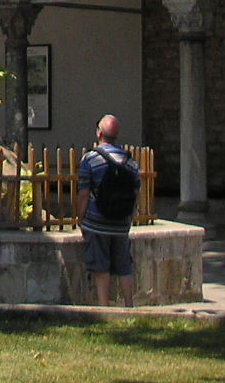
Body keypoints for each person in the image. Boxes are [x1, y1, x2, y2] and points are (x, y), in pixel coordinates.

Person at [76, 113, 141, 307]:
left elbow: (84, 193)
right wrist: (130, 216)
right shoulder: (129, 161)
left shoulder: (90, 159)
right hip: (121, 223)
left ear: (99, 133)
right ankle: (129, 304)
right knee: (124, 264)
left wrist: (81, 218)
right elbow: (136, 191)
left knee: (100, 266)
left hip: (97, 222)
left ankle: (104, 306)